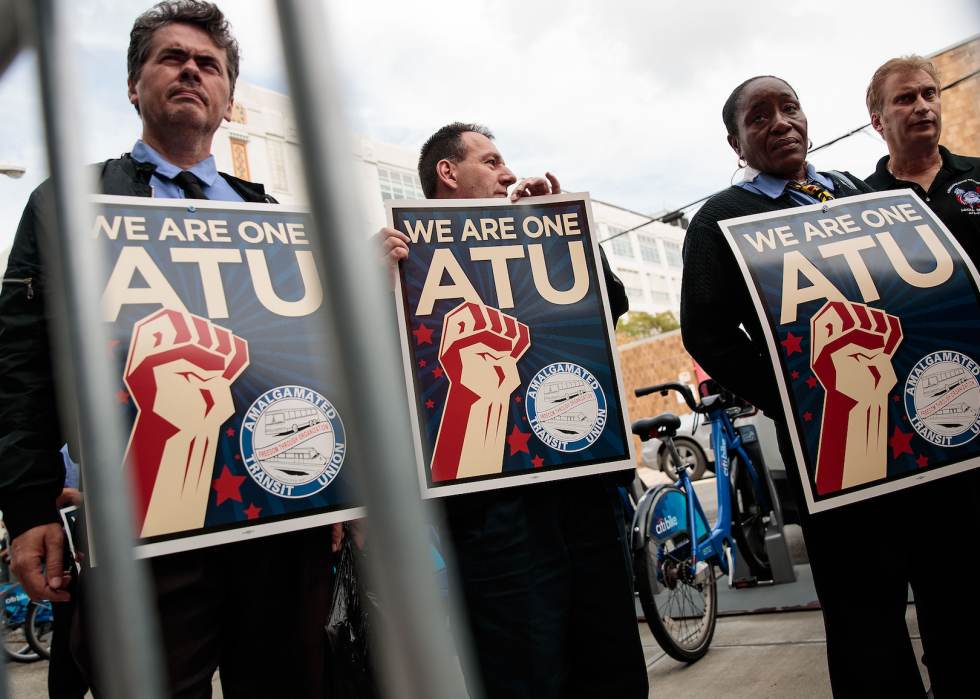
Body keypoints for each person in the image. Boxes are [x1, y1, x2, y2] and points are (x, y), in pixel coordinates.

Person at [0, 2, 336, 697]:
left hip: (279, 519)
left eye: (208, 64)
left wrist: (343, 486)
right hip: (141, 526)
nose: (191, 70)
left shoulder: (275, 221)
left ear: (228, 98)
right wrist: (29, 506)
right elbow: (21, 362)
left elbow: (320, 362)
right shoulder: (69, 201)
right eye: (171, 58)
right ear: (133, 85)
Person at [680, 75, 942, 698]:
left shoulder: (858, 191)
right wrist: (794, 396)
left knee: (948, 580)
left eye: (789, 107)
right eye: (759, 116)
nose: (780, 122)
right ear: (735, 142)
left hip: (921, 429)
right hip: (829, 446)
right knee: (865, 609)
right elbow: (707, 333)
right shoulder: (720, 218)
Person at [379, 123, 649, 699]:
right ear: (447, 173)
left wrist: (567, 232)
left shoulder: (538, 239)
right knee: (522, 672)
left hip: (582, 487)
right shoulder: (402, 258)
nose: (508, 173)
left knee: (612, 664)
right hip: (491, 507)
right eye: (491, 160)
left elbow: (613, 305)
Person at [861, 55, 980, 698]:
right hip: (922, 435)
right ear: (877, 119)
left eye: (930, 93)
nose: (924, 105)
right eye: (906, 98)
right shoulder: (853, 209)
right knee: (949, 589)